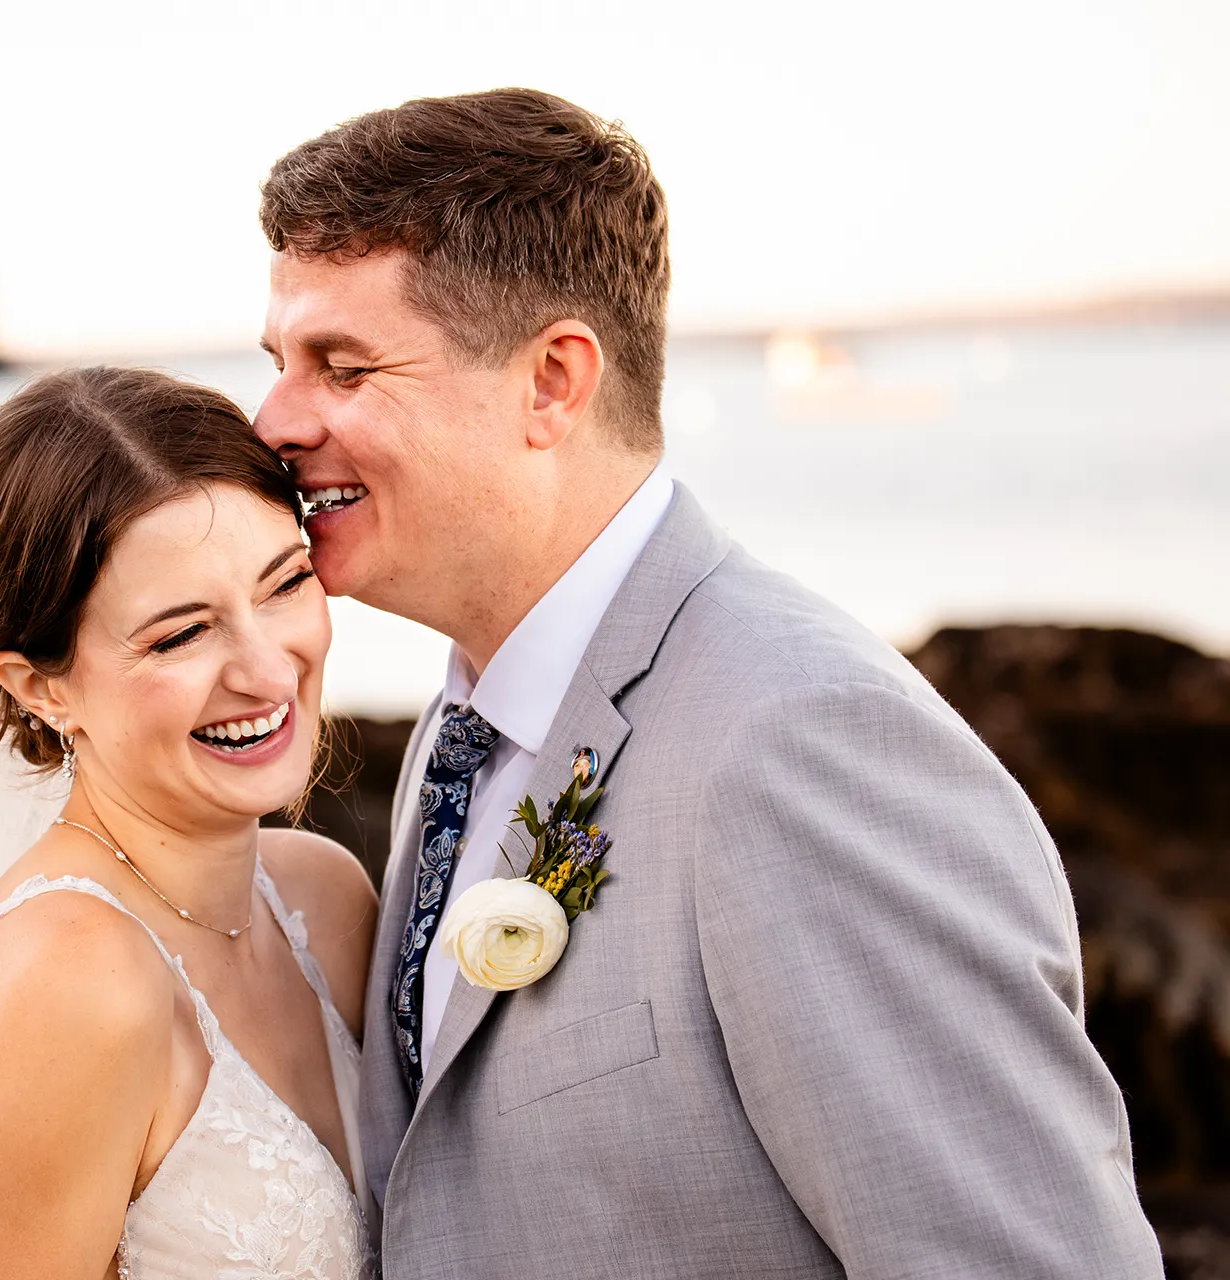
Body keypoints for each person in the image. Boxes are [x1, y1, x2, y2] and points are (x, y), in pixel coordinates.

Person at [254, 88, 1163, 1277]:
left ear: (553, 382)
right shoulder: (465, 728)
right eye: (279, 361)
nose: (273, 416)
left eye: (344, 365)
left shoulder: (800, 741)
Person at [0, 367, 377, 1279]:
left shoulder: (326, 901)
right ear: (40, 686)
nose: (266, 669)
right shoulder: (70, 977)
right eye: (181, 635)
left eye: (285, 582)